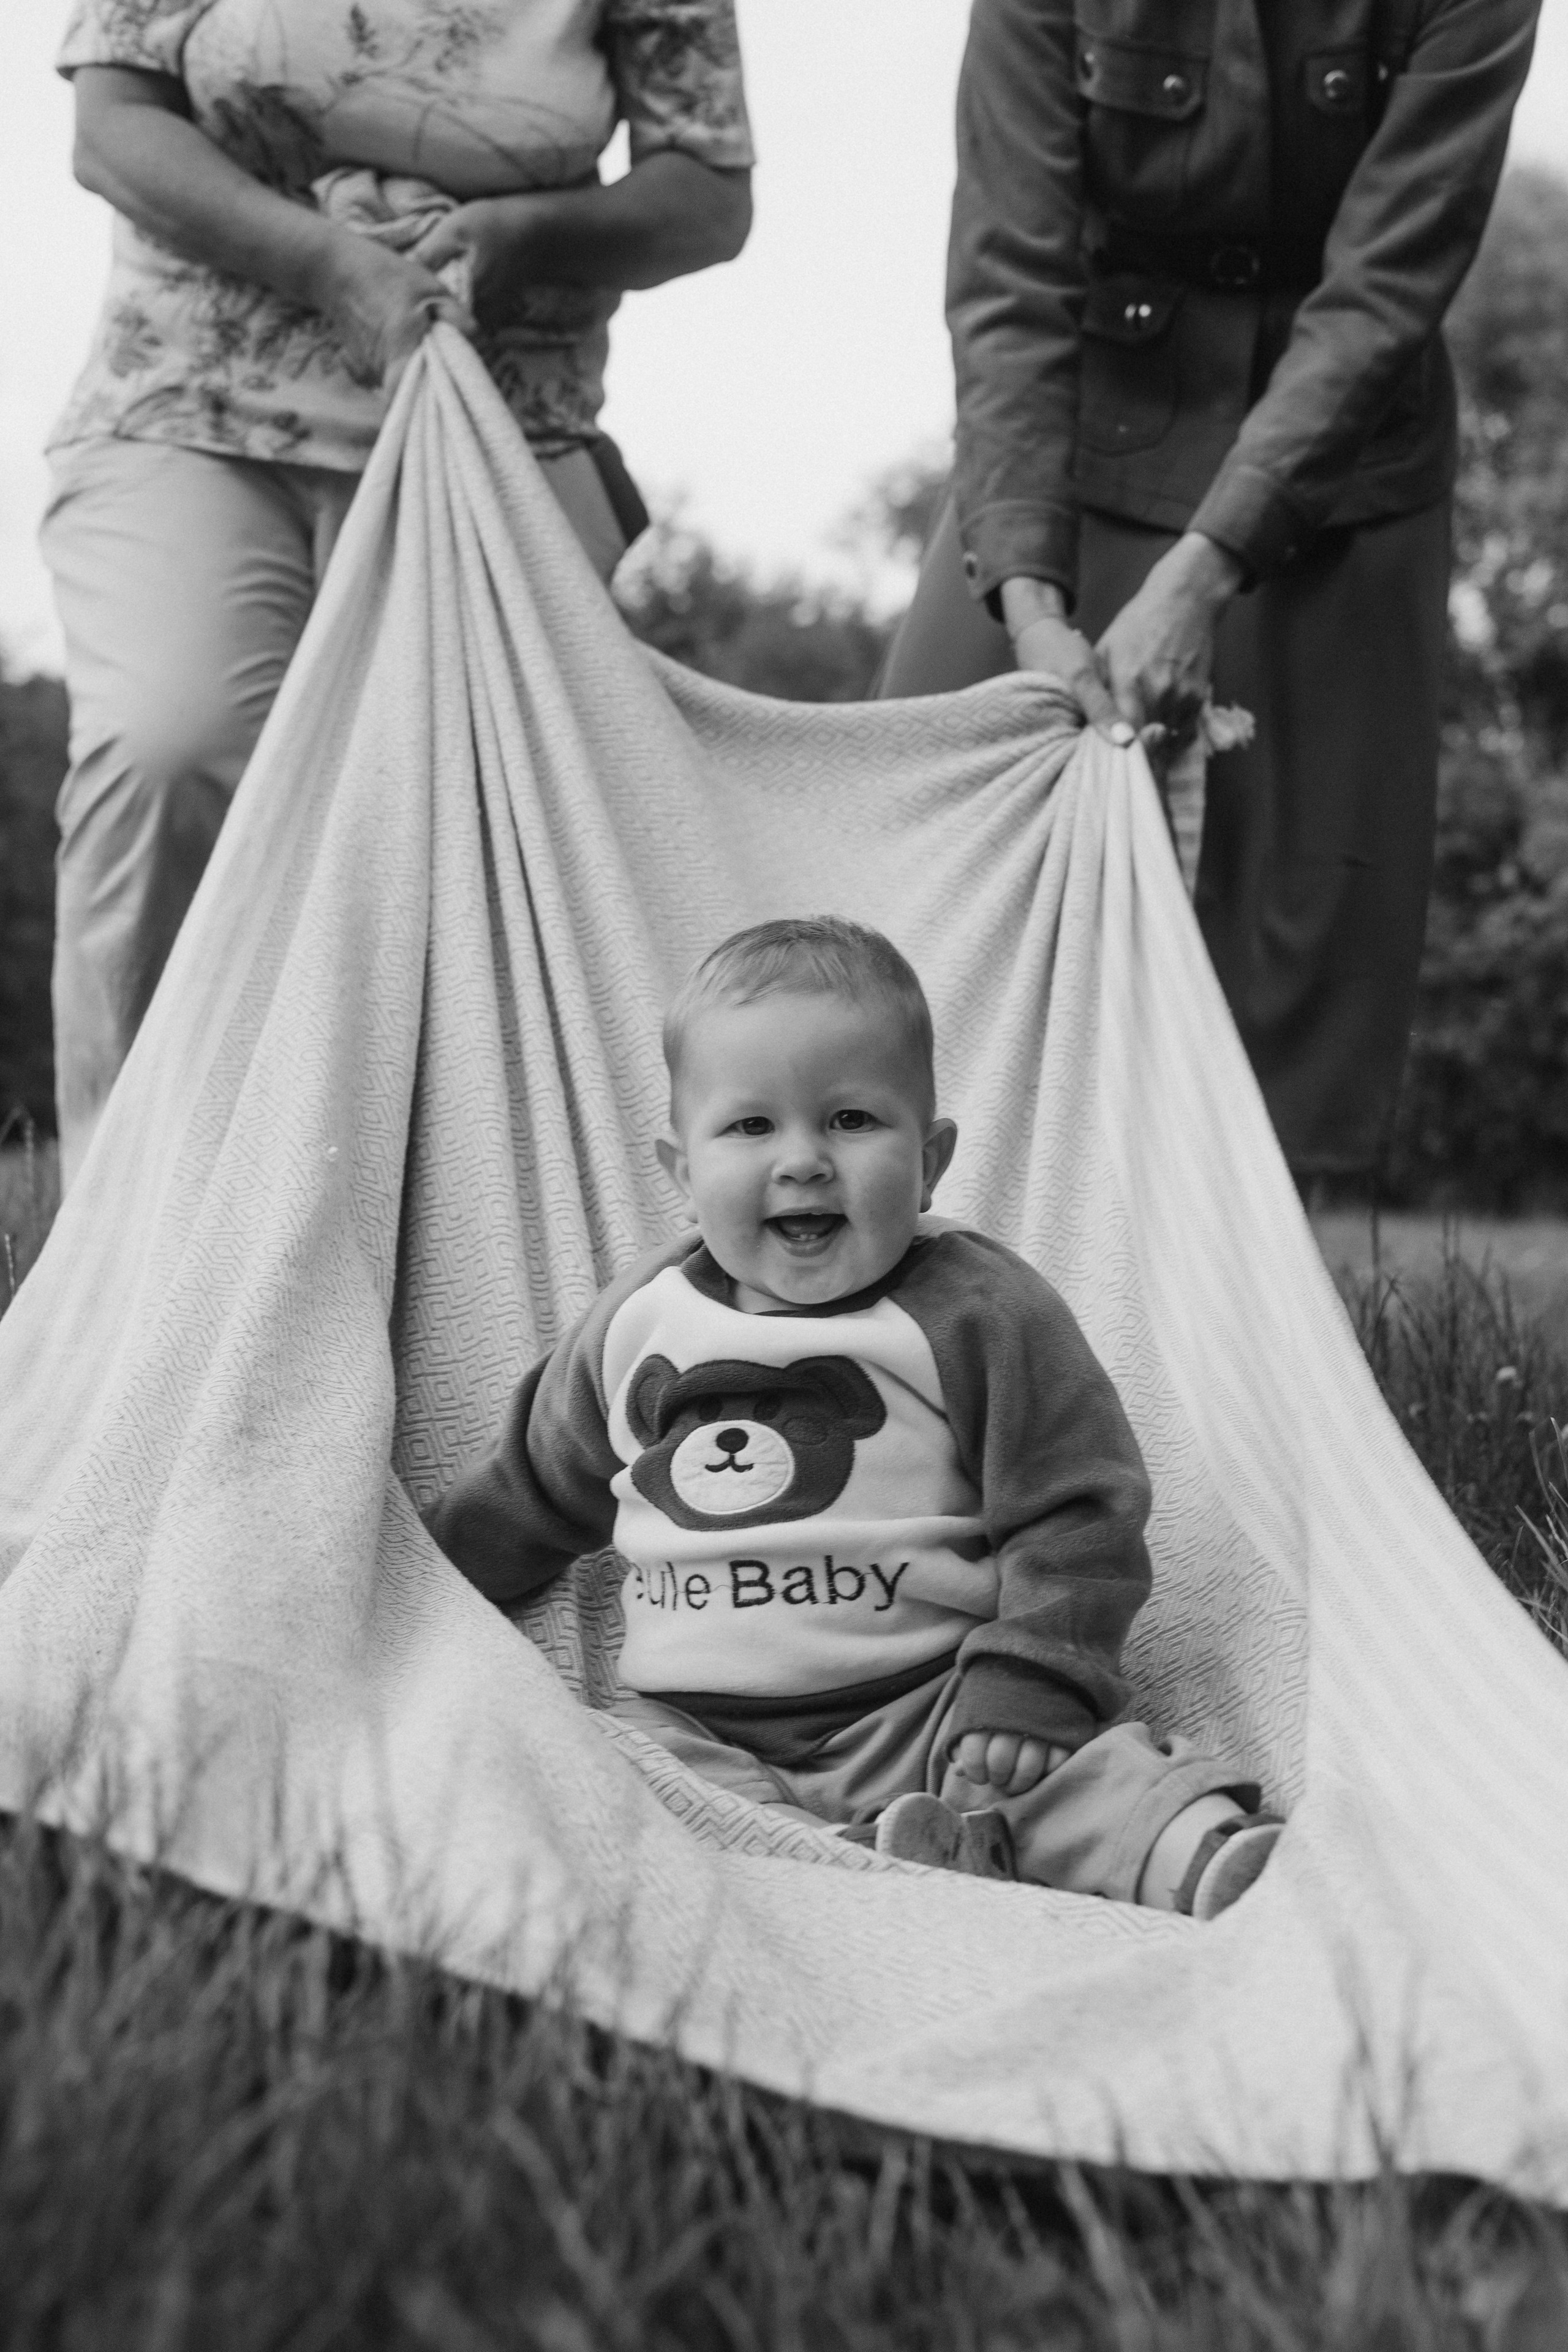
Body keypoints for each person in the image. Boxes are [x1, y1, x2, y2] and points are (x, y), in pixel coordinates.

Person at [427, 918, 1282, 1917]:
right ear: (680, 1169)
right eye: (751, 1128)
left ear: (930, 1161)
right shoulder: (637, 1325)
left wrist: (1033, 1680)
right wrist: (412, 1592)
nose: (802, 1162)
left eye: (850, 1122)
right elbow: (531, 1492)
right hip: (698, 1726)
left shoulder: (979, 1310)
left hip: (930, 1702)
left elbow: (1078, 1509)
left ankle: (1185, 1847)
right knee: (609, 1777)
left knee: (1065, 1774)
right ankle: (869, 1860)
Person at [44, 0, 755, 1187]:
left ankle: (433, 1243)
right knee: (173, 749)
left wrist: (515, 235)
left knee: (473, 834)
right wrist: (326, 263)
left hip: (498, 419)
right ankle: (132, 1231)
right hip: (203, 401)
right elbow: (112, 125)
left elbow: (706, 194)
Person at [880, 0, 1539, 1186]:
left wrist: (1201, 575)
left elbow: (1384, 289)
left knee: (1290, 957)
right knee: (914, 878)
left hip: (1344, 462)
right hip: (1086, 417)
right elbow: (1008, 268)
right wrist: (1030, 605)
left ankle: (1232, 1323)